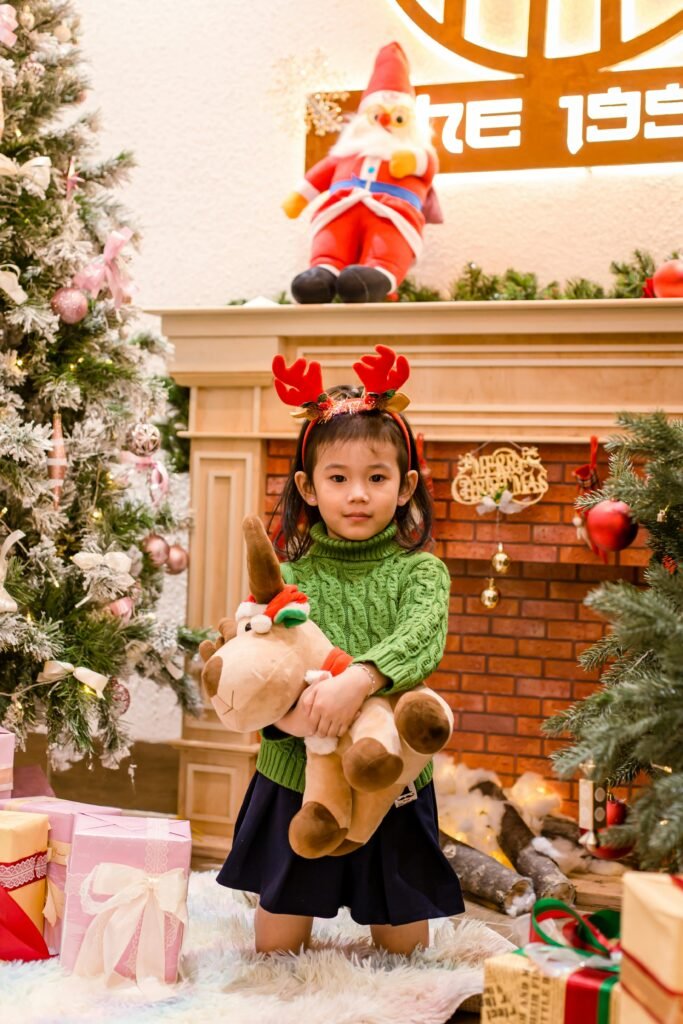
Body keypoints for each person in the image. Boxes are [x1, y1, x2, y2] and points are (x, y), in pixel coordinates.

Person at [217, 345, 464, 954]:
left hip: (389, 765)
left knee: (402, 928)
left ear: (405, 487)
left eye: (376, 478)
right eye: (338, 478)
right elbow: (266, 653)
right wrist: (287, 709)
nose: (358, 494)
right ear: (308, 486)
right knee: (279, 924)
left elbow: (422, 637)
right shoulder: (292, 572)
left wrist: (360, 677)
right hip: (299, 761)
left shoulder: (421, 572)